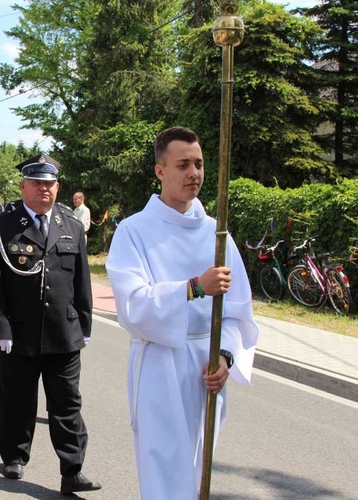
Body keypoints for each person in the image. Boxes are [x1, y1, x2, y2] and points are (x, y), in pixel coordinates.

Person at [105, 126, 258, 499]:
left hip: (205, 366)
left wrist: (225, 357)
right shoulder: (134, 231)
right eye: (184, 164)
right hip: (159, 363)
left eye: (200, 164)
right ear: (160, 171)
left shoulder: (216, 234)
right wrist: (192, 288)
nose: (194, 173)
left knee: (199, 466)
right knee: (164, 465)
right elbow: (132, 306)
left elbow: (238, 311)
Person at [0, 154, 101, 494]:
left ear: (57, 187)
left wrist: (85, 326)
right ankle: (15, 456)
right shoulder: (1, 226)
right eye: (36, 183)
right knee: (18, 399)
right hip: (19, 333)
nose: (43, 189)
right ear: (23, 187)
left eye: (49, 184)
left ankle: (72, 470)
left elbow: (81, 282)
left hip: (63, 331)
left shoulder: (71, 225)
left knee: (67, 403)